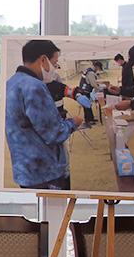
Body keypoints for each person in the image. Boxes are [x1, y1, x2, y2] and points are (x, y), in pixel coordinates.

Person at [5, 39, 83, 190]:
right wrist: (73, 122)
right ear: (43, 60)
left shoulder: (11, 83)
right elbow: (53, 133)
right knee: (54, 211)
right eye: (55, 63)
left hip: (25, 170)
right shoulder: (34, 86)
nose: (55, 68)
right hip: (45, 172)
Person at [77, 61, 104, 125]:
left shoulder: (89, 70)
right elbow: (93, 84)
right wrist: (100, 89)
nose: (98, 70)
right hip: (84, 91)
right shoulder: (91, 73)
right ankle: (88, 120)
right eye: (99, 68)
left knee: (88, 104)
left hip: (83, 90)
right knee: (87, 105)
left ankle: (91, 118)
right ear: (97, 67)